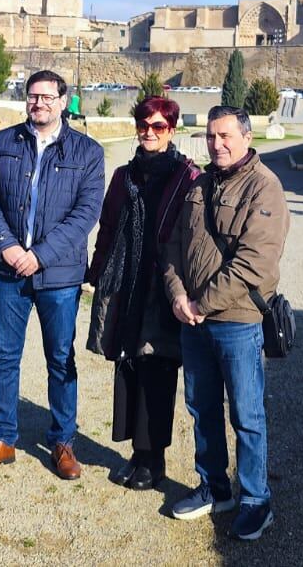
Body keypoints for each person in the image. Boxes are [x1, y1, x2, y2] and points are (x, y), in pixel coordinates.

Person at [0, 69, 105, 480]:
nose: (39, 103)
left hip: (58, 276)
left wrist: (39, 255)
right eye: (32, 96)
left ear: (64, 102)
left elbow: (85, 214)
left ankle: (63, 442)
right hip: (6, 270)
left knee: (61, 359)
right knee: (4, 357)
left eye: (47, 97)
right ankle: (3, 439)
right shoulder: (4, 143)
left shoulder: (87, 152)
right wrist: (7, 245)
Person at [162, 105, 288, 541]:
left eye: (226, 136)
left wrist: (201, 304)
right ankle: (216, 487)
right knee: (202, 409)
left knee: (248, 415)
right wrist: (178, 294)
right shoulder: (199, 185)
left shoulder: (264, 188)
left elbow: (253, 264)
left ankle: (257, 499)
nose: (217, 143)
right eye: (211, 136)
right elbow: (175, 245)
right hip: (195, 321)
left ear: (247, 138)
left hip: (236, 322)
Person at [85, 95, 200, 491]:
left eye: (158, 127)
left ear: (171, 130)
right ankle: (136, 452)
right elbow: (107, 225)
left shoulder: (187, 176)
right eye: (143, 125)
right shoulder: (124, 175)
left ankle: (156, 460)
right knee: (128, 366)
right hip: (127, 280)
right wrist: (98, 271)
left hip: (163, 284)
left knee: (159, 372)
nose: (149, 133)